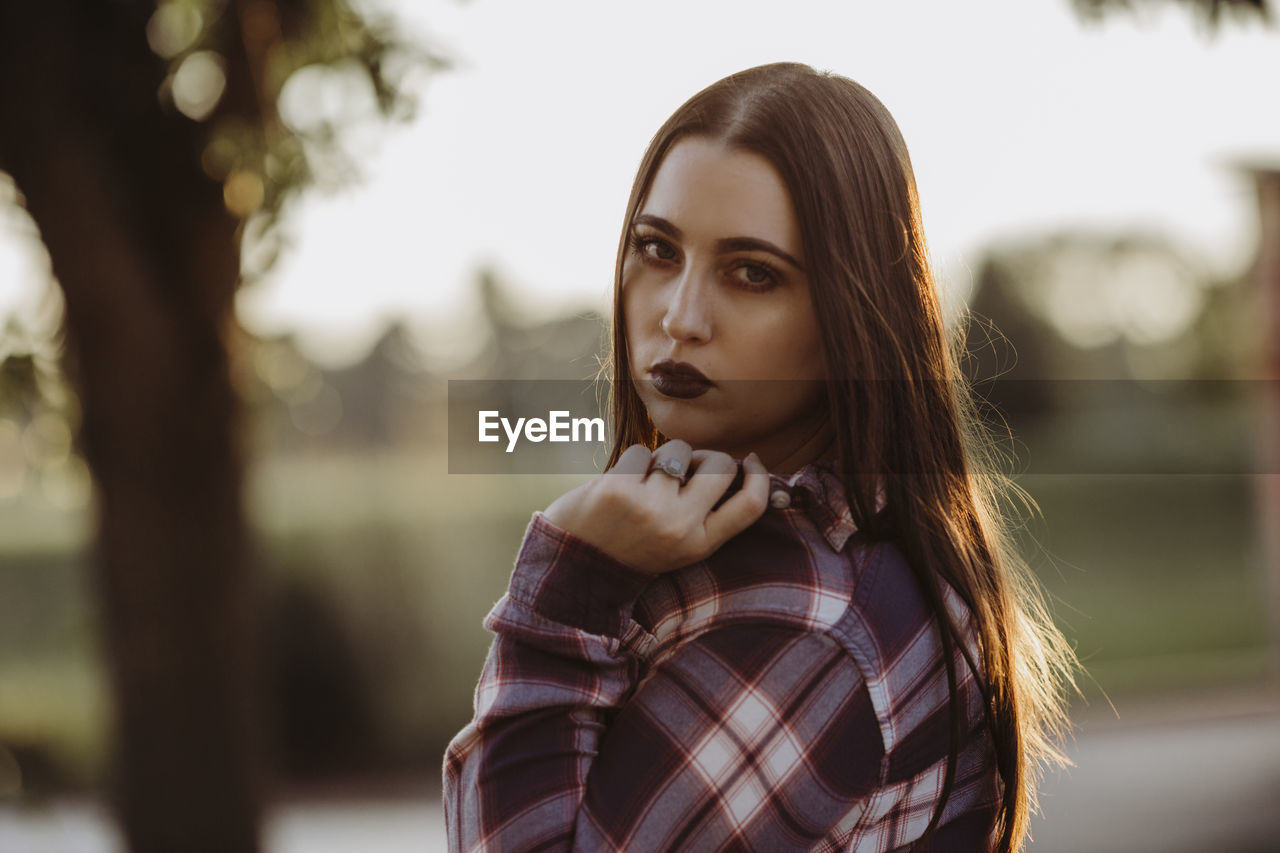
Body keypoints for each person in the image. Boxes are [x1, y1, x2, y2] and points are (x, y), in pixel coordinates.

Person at [443, 61, 1076, 852]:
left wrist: (566, 593)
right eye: (657, 249)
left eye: (752, 273)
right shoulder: (767, 555)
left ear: (851, 310)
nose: (680, 317)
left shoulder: (812, 624)